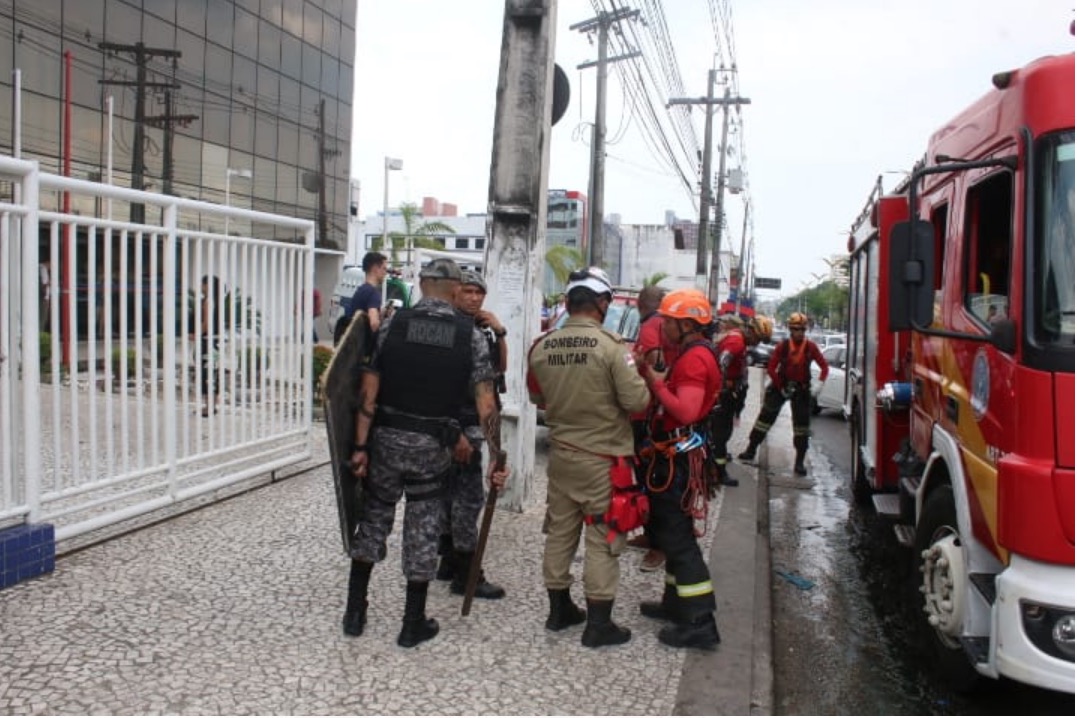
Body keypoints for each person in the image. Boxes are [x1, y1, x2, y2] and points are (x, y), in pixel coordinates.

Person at [342, 258, 509, 648]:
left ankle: (355, 612)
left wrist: (360, 448)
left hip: (385, 443)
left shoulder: (391, 326)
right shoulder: (468, 335)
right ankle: (411, 623)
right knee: (423, 529)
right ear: (454, 290)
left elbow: (368, 393)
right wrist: (498, 457)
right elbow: (486, 403)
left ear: (420, 285)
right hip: (432, 450)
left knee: (374, 521)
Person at [526, 266, 651, 648]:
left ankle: (558, 609)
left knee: (560, 532)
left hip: (562, 457)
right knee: (603, 536)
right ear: (602, 304)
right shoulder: (614, 349)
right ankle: (598, 625)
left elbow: (537, 398)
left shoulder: (541, 346)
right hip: (604, 462)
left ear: (566, 303)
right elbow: (638, 403)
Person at [636, 288, 723, 650]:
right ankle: (675, 604)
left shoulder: (694, 360)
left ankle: (700, 621)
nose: (663, 327)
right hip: (675, 454)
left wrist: (655, 384)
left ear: (687, 324)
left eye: (669, 321)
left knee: (678, 539)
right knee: (672, 533)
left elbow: (685, 412)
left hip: (678, 458)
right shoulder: (692, 353)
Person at [434, 270, 507, 600]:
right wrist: (495, 450)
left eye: (479, 292)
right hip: (462, 423)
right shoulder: (450, 328)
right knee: (465, 500)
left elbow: (499, 370)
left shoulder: (483, 330)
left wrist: (500, 331)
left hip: (465, 421)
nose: (475, 298)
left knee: (449, 496)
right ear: (454, 292)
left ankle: (449, 561)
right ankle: (467, 575)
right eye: (468, 291)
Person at [737, 312, 828, 476]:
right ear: (790, 330)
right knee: (764, 418)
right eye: (795, 329)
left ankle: (799, 462)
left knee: (802, 428)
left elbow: (824, 368)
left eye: (801, 329)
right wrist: (780, 386)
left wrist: (818, 386)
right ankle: (751, 449)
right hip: (781, 386)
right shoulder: (783, 346)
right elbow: (771, 368)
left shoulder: (810, 347)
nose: (799, 333)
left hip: (801, 390)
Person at [627, 284, 676, 572]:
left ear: (640, 304)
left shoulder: (651, 325)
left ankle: (658, 546)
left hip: (648, 414)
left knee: (651, 480)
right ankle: (652, 536)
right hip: (658, 412)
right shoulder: (664, 325)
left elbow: (653, 366)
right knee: (651, 478)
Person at [707, 314, 749, 488]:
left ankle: (717, 464)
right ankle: (718, 472)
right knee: (720, 434)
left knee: (720, 432)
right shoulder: (736, 341)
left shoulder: (734, 339)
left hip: (726, 392)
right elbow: (722, 364)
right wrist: (720, 388)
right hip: (724, 393)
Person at [341, 251, 388, 343]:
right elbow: (373, 324)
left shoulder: (361, 290)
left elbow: (363, 317)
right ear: (375, 268)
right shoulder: (373, 293)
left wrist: (381, 315)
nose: (385, 273)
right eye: (384, 269)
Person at [196, 275, 223, 417]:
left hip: (207, 341)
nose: (200, 286)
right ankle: (211, 406)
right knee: (212, 372)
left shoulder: (208, 301)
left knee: (207, 373)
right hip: (214, 340)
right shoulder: (217, 301)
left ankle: (210, 407)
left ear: (207, 286)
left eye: (202, 284)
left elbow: (206, 324)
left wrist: (196, 334)